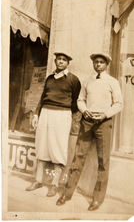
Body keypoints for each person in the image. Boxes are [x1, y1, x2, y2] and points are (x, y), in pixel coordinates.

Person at [56, 53, 123, 211]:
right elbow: (80, 100)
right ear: (93, 64)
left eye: (101, 62)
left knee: (103, 161)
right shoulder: (88, 81)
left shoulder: (112, 82)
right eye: (96, 62)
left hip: (104, 123)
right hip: (87, 122)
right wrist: (85, 111)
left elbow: (119, 104)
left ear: (106, 64)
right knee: (78, 157)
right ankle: (67, 192)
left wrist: (105, 114)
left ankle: (97, 199)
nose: (98, 65)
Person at [26, 52, 81, 197]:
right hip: (45, 113)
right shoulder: (49, 78)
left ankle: (55, 184)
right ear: (55, 60)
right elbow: (43, 97)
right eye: (59, 59)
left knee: (58, 148)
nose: (61, 62)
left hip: (62, 115)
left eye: (64, 60)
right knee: (42, 145)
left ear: (68, 63)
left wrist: (70, 117)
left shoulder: (73, 79)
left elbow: (76, 102)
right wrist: (37, 114)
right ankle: (38, 180)